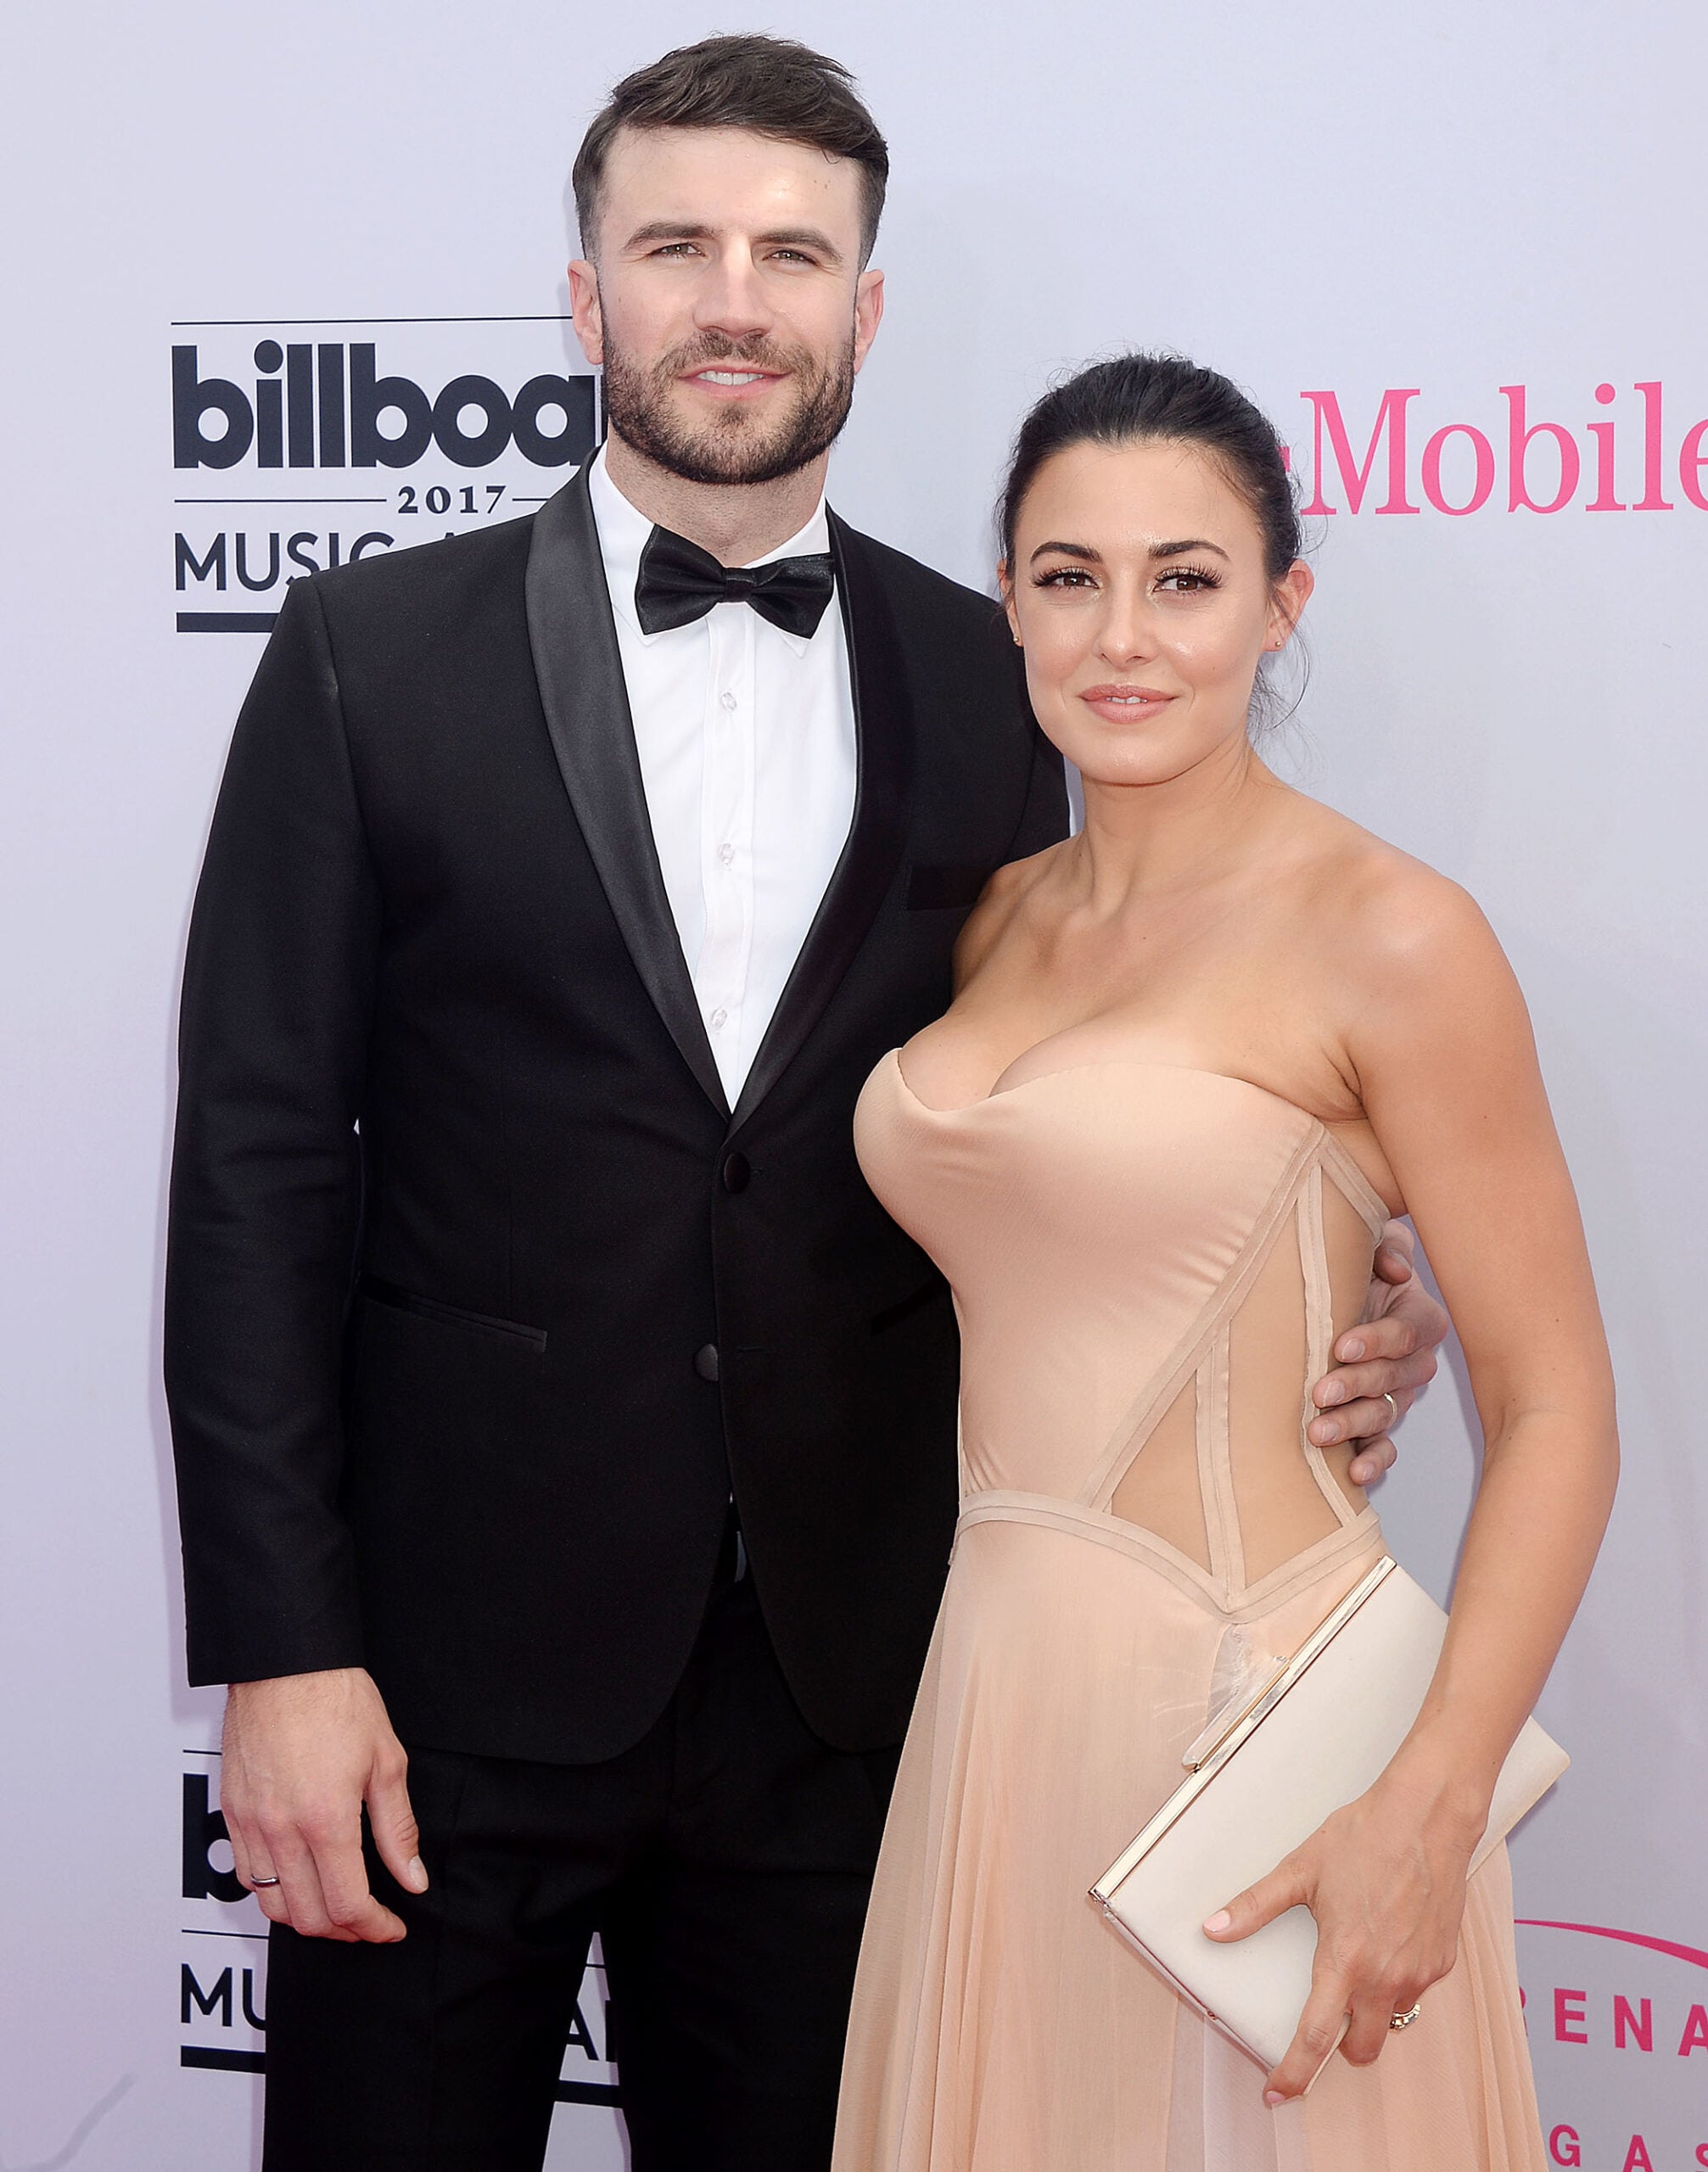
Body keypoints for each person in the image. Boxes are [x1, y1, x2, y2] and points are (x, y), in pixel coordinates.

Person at [164, 42, 1448, 2172]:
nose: (732, 300)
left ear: (866, 307)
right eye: (675, 246)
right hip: (440, 1680)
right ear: (583, 298)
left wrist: (1347, 1278)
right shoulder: (361, 655)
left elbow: (1102, 1086)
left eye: (790, 252)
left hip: (859, 1678)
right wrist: (283, 1654)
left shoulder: (1000, 680)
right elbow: (255, 1175)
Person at [832, 353, 1619, 2170]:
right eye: (1064, 574)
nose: (1121, 634)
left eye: (1184, 577)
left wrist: (1427, 1804)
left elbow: (1556, 1399)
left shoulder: (1392, 933)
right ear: (1007, 599)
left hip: (1260, 1727)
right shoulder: (997, 916)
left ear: (1281, 603)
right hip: (995, 1715)